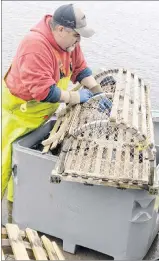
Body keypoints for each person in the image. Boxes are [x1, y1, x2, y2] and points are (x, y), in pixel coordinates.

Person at [2, 3, 105, 202]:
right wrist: (75, 97)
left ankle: (16, 205)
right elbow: (43, 91)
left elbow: (81, 69)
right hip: (18, 113)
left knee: (21, 167)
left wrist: (97, 92)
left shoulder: (69, 43)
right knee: (4, 161)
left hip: (40, 113)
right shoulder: (35, 46)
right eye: (77, 34)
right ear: (60, 29)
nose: (79, 39)